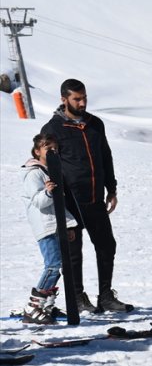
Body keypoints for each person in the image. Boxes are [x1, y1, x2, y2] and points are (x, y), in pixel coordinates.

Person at [40, 78, 131, 314]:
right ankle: (77, 297)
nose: (82, 103)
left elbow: (105, 157)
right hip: (69, 200)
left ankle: (106, 296)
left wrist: (111, 188)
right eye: (76, 99)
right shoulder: (53, 129)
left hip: (94, 197)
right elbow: (45, 164)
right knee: (74, 252)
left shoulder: (95, 124)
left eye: (84, 98)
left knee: (106, 245)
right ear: (64, 99)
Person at [21, 133, 78, 324]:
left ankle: (47, 306)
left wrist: (67, 226)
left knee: (59, 266)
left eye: (55, 148)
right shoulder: (34, 174)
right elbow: (38, 202)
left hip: (55, 225)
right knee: (53, 266)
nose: (52, 151)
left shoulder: (50, 171)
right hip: (45, 227)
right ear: (37, 151)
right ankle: (33, 307)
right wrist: (48, 191)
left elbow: (59, 204)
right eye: (48, 148)